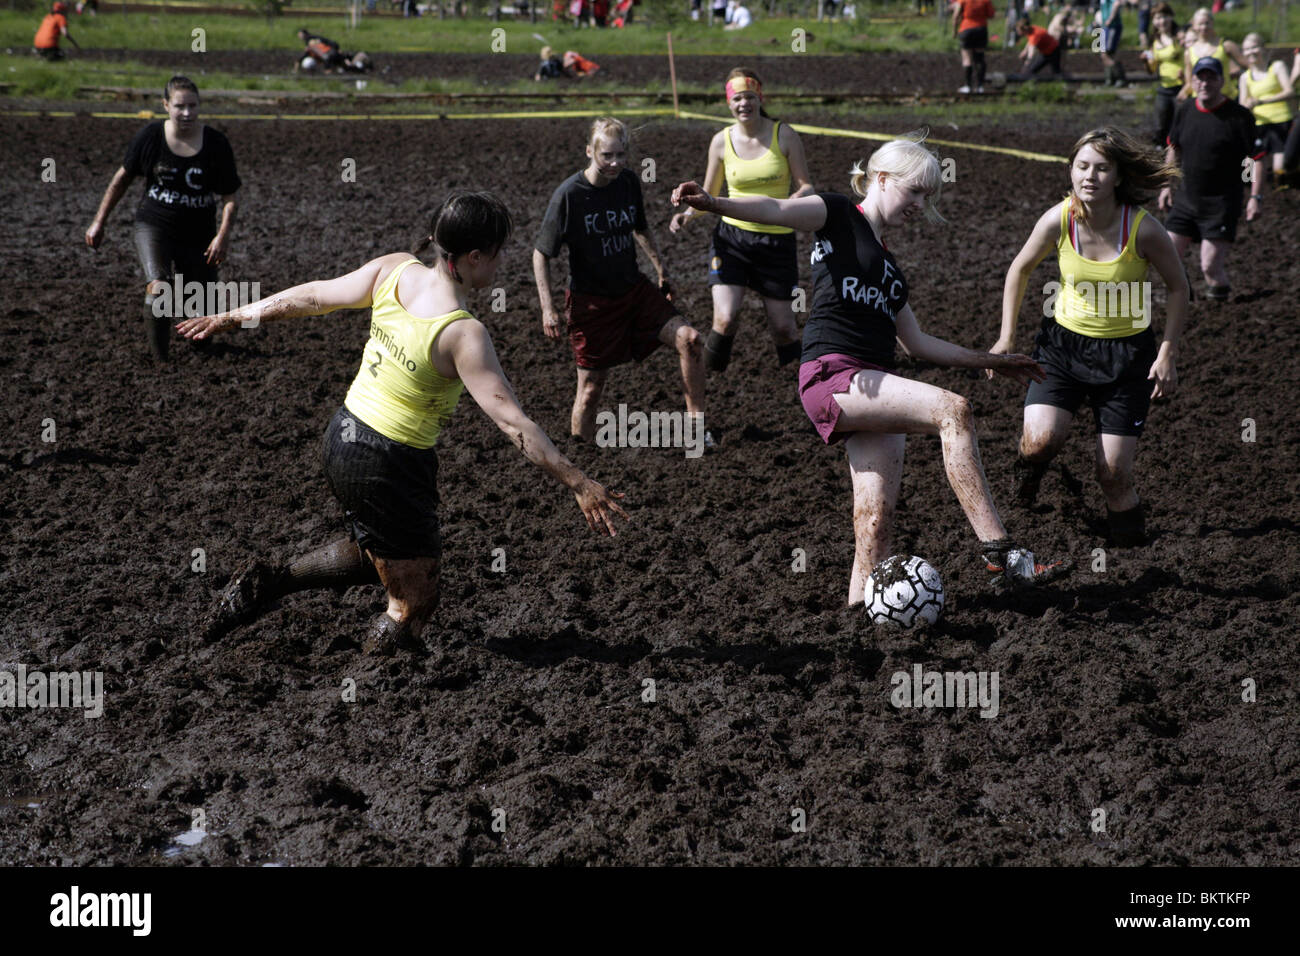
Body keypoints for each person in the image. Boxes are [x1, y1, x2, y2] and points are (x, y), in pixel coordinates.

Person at [175, 193, 629, 653]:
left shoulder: (395, 268)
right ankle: (365, 682)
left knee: (377, 549)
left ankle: (272, 580)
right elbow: (513, 424)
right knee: (414, 600)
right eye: (498, 252)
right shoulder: (462, 332)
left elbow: (314, 295)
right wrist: (578, 482)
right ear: (474, 257)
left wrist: (237, 315)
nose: (501, 262)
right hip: (388, 461)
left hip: (342, 436)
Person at [671, 135, 1074, 604]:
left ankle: (859, 621)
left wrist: (992, 360)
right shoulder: (838, 214)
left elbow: (918, 343)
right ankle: (1003, 555)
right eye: (916, 192)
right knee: (953, 409)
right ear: (880, 179)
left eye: (928, 196)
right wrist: (714, 202)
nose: (921, 205)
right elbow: (777, 210)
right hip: (832, 376)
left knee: (876, 525)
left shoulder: (890, 268)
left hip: (878, 385)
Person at [993, 127, 1188, 546]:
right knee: (1040, 442)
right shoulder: (1058, 218)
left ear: (1118, 176)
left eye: (1102, 168)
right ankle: (1027, 481)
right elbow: (1020, 269)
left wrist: (1168, 353)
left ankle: (1133, 552)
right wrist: (1007, 337)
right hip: (1063, 347)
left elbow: (1178, 287)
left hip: (1127, 356)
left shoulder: (1143, 229)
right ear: (1071, 170)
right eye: (1082, 166)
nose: (1089, 176)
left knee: (1113, 473)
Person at [534, 118, 709, 446]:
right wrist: (548, 308)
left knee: (691, 339)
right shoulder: (569, 195)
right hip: (592, 303)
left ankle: (698, 431)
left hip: (634, 291)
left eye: (621, 155)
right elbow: (540, 254)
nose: (615, 164)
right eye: (607, 156)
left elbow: (640, 228)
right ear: (590, 151)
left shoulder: (628, 182)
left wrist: (662, 270)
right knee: (589, 391)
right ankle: (580, 454)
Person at [85, 76, 241, 362]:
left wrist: (223, 235)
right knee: (160, 287)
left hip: (199, 231)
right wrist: (100, 221)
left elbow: (230, 196)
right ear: (166, 105)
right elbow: (122, 178)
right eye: (180, 106)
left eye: (193, 106)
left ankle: (202, 349)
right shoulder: (150, 137)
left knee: (201, 300)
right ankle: (161, 362)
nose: (187, 113)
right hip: (154, 224)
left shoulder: (216, 143)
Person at [668, 69, 813, 375]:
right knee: (725, 318)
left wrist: (786, 205)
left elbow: (806, 186)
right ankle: (708, 381)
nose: (743, 103)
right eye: (737, 98)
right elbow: (709, 195)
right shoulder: (720, 142)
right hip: (732, 239)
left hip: (776, 240)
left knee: (785, 328)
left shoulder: (783, 134)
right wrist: (688, 214)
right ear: (729, 104)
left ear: (760, 98)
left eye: (749, 96)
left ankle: (801, 385)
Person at [1159, 57, 1264, 300]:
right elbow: (1173, 148)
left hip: (1221, 203)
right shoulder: (1185, 109)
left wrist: (1254, 195)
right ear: (1193, 80)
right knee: (1167, 254)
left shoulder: (1239, 117)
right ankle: (1185, 298)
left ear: (1222, 81)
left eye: (1211, 77)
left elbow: (1254, 158)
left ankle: (1221, 305)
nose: (1205, 83)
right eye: (1200, 77)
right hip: (1186, 198)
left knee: (1210, 266)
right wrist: (1166, 186)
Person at [1238, 33, 1294, 185]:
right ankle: (1247, 187)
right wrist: (1248, 104)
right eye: (1247, 49)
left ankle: (1280, 184)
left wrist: (1263, 101)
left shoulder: (1276, 67)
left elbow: (1289, 91)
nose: (1251, 52)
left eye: (1254, 47)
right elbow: (1242, 103)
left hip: (1280, 120)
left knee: (1279, 167)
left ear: (1262, 48)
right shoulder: (1245, 77)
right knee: (1250, 159)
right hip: (1258, 123)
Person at [1181, 8, 1246, 101]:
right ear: (1194, 26)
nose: (1204, 27)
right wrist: (1183, 93)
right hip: (1201, 101)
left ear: (1212, 23)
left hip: (1225, 98)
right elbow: (1189, 82)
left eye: (1207, 23)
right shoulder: (1189, 52)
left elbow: (1248, 65)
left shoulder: (1226, 45)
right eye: (1200, 24)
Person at [1142, 8, 1184, 146]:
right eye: (1158, 18)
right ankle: (1161, 149)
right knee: (1161, 124)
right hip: (1164, 87)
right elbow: (1152, 69)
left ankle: (1178, 149)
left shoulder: (1180, 37)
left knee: (1179, 122)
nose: (1162, 21)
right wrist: (1146, 61)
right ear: (1153, 22)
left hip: (1182, 86)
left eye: (1165, 16)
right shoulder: (1154, 40)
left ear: (1171, 17)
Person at [952, 0, 995, 94]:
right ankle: (980, 86)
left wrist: (954, 31)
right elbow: (991, 14)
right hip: (981, 29)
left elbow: (956, 15)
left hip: (966, 29)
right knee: (980, 58)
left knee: (967, 58)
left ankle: (968, 86)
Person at [1096, 0, 1127, 86]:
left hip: (1112, 26)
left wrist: (1110, 18)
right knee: (1103, 54)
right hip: (1104, 27)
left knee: (1109, 53)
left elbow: (1117, 3)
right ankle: (1110, 79)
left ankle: (1120, 78)